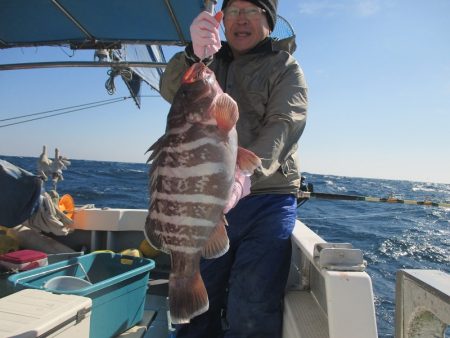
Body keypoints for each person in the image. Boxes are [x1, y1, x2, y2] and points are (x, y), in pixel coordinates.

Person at [160, 0, 307, 337]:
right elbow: (170, 90)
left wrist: (244, 176)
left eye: (251, 11)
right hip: (205, 198)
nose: (241, 20)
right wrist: (191, 55)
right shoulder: (207, 60)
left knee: (252, 304)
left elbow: (284, 125)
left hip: (267, 199)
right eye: (233, 11)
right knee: (199, 301)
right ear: (222, 21)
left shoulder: (286, 68)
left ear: (268, 21)